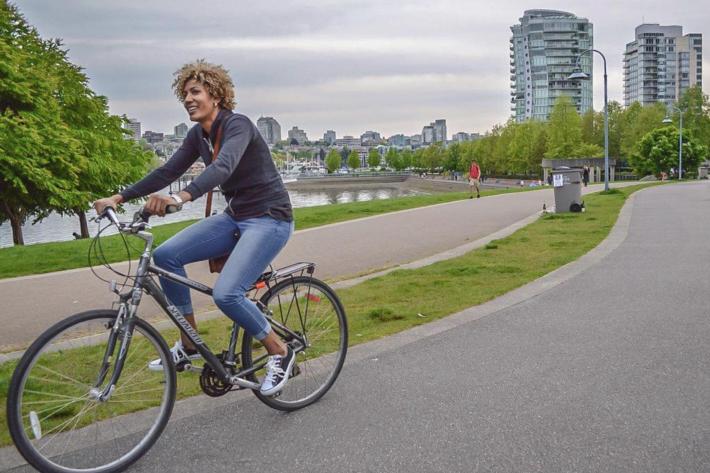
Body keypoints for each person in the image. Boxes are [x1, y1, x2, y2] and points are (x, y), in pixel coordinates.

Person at [94, 60, 295, 396]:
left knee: (227, 294)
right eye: (185, 93)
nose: (188, 98)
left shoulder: (238, 125)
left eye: (195, 92)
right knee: (166, 255)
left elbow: (223, 166)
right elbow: (166, 172)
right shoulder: (197, 135)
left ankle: (280, 351)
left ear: (215, 95)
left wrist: (182, 197)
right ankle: (189, 345)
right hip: (236, 217)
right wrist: (119, 196)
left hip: (269, 218)